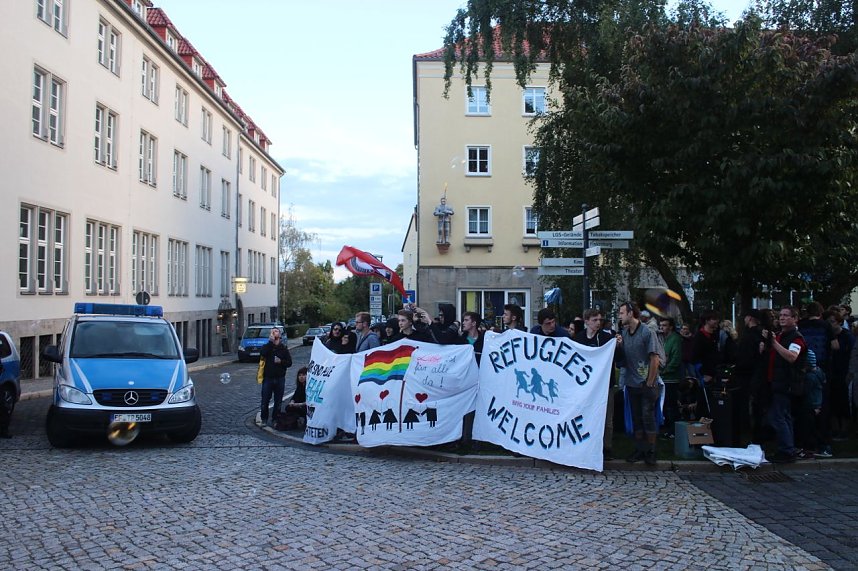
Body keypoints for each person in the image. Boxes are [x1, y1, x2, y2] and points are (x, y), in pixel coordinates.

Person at [615, 301, 661, 466]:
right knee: (636, 418)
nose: (619, 316)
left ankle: (651, 450)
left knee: (648, 416)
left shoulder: (647, 332)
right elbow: (622, 359)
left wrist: (650, 382)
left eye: (621, 313)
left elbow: (654, 358)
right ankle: (640, 449)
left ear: (630, 313)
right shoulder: (625, 334)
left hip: (646, 383)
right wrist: (619, 346)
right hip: (632, 383)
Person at [574, 308, 620, 460]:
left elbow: (618, 359)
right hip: (586, 386)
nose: (598, 323)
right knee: (586, 415)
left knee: (607, 418)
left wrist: (618, 346)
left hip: (605, 384)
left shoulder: (606, 338)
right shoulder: (579, 338)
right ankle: (586, 445)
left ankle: (607, 448)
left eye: (600, 320)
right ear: (586, 321)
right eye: (594, 320)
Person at [765, 306, 807, 463]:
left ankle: (786, 450)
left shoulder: (796, 338)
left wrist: (774, 344)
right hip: (777, 381)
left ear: (795, 318)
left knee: (778, 416)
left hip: (786, 383)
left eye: (786, 315)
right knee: (784, 416)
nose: (781, 318)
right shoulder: (782, 335)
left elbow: (792, 357)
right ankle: (788, 448)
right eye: (780, 315)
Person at [259, 327, 292, 427]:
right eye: (272, 332)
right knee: (265, 400)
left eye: (276, 331)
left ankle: (275, 419)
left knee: (278, 401)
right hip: (268, 378)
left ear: (280, 335)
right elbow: (262, 353)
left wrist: (281, 362)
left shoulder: (283, 349)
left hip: (280, 378)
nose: (274, 333)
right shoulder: (267, 346)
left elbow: (289, 363)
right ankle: (264, 418)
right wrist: (270, 342)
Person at [658, 317, 683, 437]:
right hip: (663, 377)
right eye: (661, 325)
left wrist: (665, 371)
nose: (661, 327)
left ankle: (674, 430)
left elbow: (676, 359)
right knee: (665, 404)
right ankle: (668, 428)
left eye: (664, 325)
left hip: (671, 378)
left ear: (671, 327)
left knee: (671, 405)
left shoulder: (675, 339)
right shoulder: (663, 339)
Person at [692, 310, 720, 382]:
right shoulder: (699, 336)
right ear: (707, 321)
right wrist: (703, 373)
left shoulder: (715, 335)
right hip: (705, 374)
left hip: (715, 371)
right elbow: (695, 356)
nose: (717, 321)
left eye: (717, 319)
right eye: (714, 319)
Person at [276, 366, 307, 431]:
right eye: (300, 375)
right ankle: (293, 422)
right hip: (298, 405)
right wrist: (292, 402)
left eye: (304, 375)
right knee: (288, 407)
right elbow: (295, 396)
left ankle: (299, 422)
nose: (301, 377)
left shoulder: (309, 387)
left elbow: (309, 401)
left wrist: (299, 404)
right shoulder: (300, 386)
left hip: (305, 406)